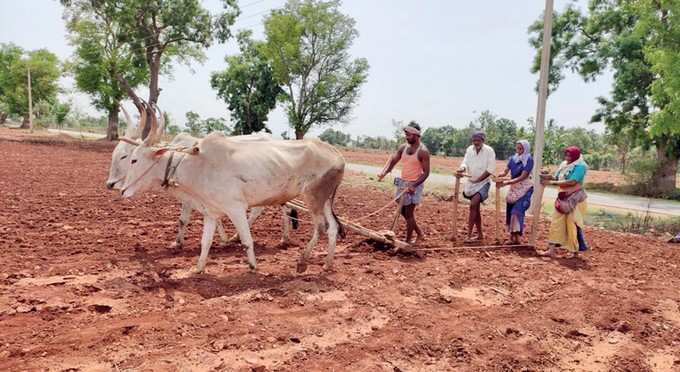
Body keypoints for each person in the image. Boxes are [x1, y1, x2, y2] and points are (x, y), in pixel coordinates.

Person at [378, 121, 431, 244]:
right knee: (403, 211)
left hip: (414, 185)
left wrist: (414, 185)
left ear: (416, 135)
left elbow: (426, 173)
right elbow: (393, 161)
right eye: (406, 135)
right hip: (402, 183)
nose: (406, 137)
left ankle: (408, 240)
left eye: (409, 135)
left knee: (409, 213)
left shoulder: (423, 151)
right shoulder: (403, 147)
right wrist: (384, 173)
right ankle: (419, 233)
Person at [541, 146, 589, 257]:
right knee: (556, 223)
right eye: (566, 155)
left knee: (572, 224)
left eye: (569, 156)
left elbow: (572, 181)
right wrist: (548, 177)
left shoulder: (581, 166)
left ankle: (574, 251)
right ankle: (551, 250)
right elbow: (557, 178)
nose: (567, 157)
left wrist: (551, 183)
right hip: (562, 197)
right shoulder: (564, 165)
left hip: (575, 199)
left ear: (575, 156)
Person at [456, 131, 496, 242]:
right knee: (476, 209)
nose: (476, 142)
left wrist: (479, 179)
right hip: (471, 182)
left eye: (478, 140)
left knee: (473, 204)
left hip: (483, 183)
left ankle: (468, 235)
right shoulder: (469, 150)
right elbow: (465, 162)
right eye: (474, 140)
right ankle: (480, 235)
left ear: (483, 140)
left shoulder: (489, 151)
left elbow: (490, 169)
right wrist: (462, 168)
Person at [497, 140, 534, 244]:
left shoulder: (529, 160)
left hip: (525, 188)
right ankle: (512, 237)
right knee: (510, 211)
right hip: (514, 188)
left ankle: (517, 237)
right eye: (517, 148)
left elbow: (524, 176)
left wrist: (507, 182)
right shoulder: (513, 159)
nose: (518, 151)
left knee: (517, 211)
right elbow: (506, 171)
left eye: (521, 148)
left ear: (526, 149)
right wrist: (501, 175)